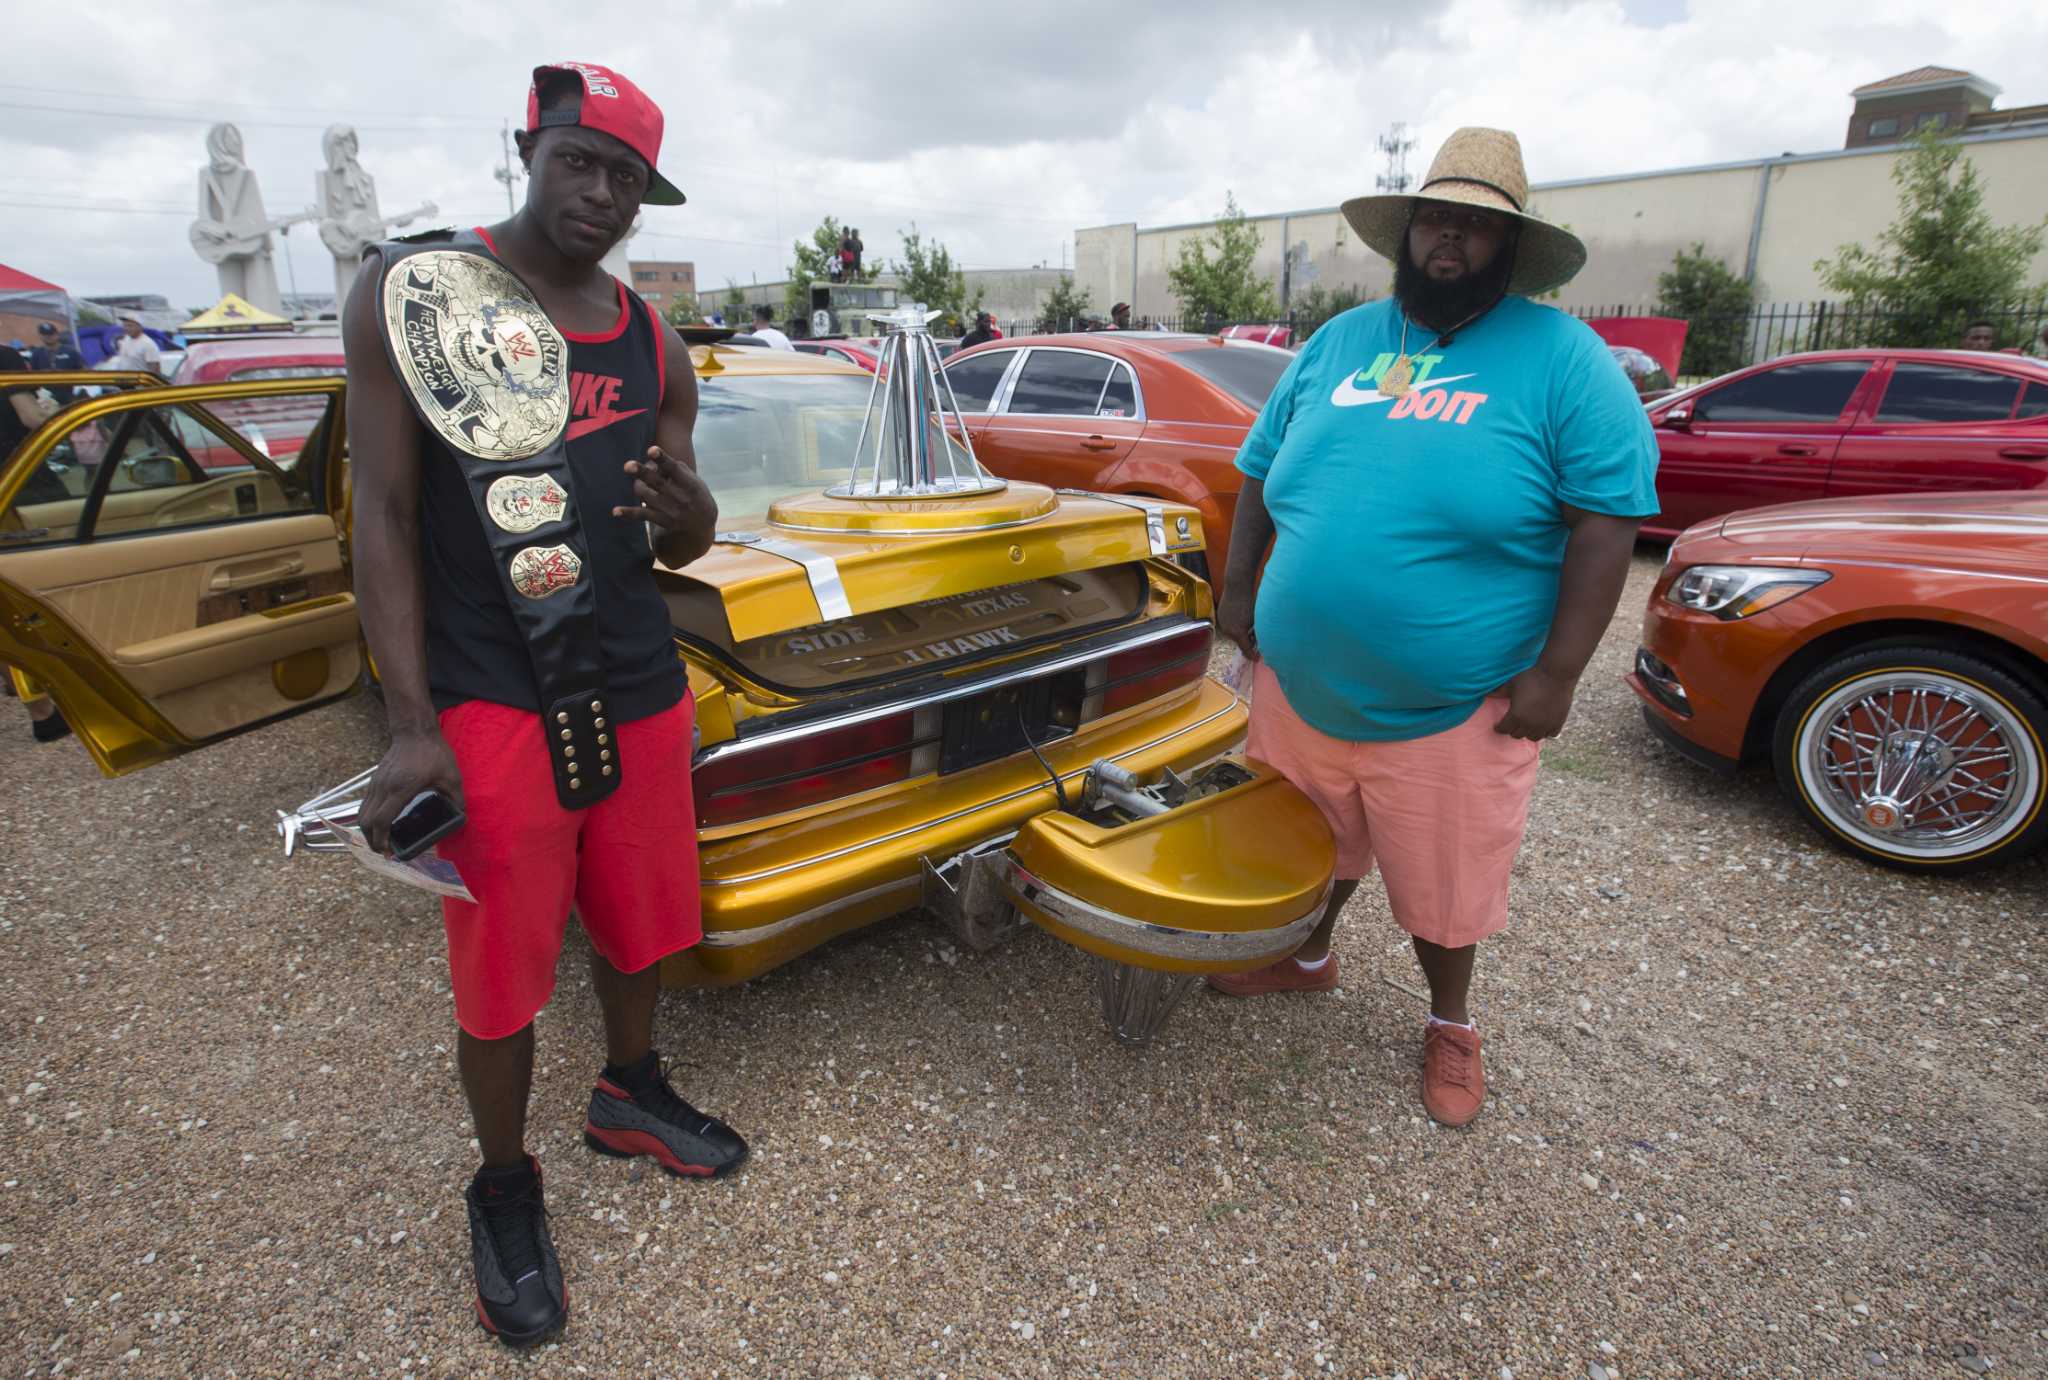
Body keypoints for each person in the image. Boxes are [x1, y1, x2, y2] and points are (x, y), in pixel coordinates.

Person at [342, 60, 743, 1349]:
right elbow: (385, 515)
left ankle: (629, 1092)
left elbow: (678, 530)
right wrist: (412, 725)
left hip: (634, 685)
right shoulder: (420, 300)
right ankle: (503, 1186)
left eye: (625, 177)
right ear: (529, 146)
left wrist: (697, 518)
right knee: (504, 968)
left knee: (644, 924)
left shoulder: (650, 338)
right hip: (490, 693)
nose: (600, 192)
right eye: (579, 160)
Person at [1207, 128, 1658, 1131]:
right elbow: (1255, 471)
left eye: (1475, 224)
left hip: (1452, 704)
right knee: (1303, 842)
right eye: (1434, 217)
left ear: (1507, 245)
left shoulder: (1562, 361)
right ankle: (1305, 954)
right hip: (1298, 679)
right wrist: (1236, 588)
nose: (1448, 238)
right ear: (1405, 231)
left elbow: (1606, 521)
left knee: (1443, 888)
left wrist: (1558, 677)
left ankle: (1450, 1023)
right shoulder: (1338, 343)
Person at [29, 323, 84, 405]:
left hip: (68, 396)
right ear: (40, 336)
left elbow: (82, 371)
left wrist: (64, 374)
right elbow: (32, 375)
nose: (48, 337)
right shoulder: (36, 353)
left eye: (51, 334)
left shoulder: (70, 351)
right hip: (46, 398)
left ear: (57, 334)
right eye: (45, 334)